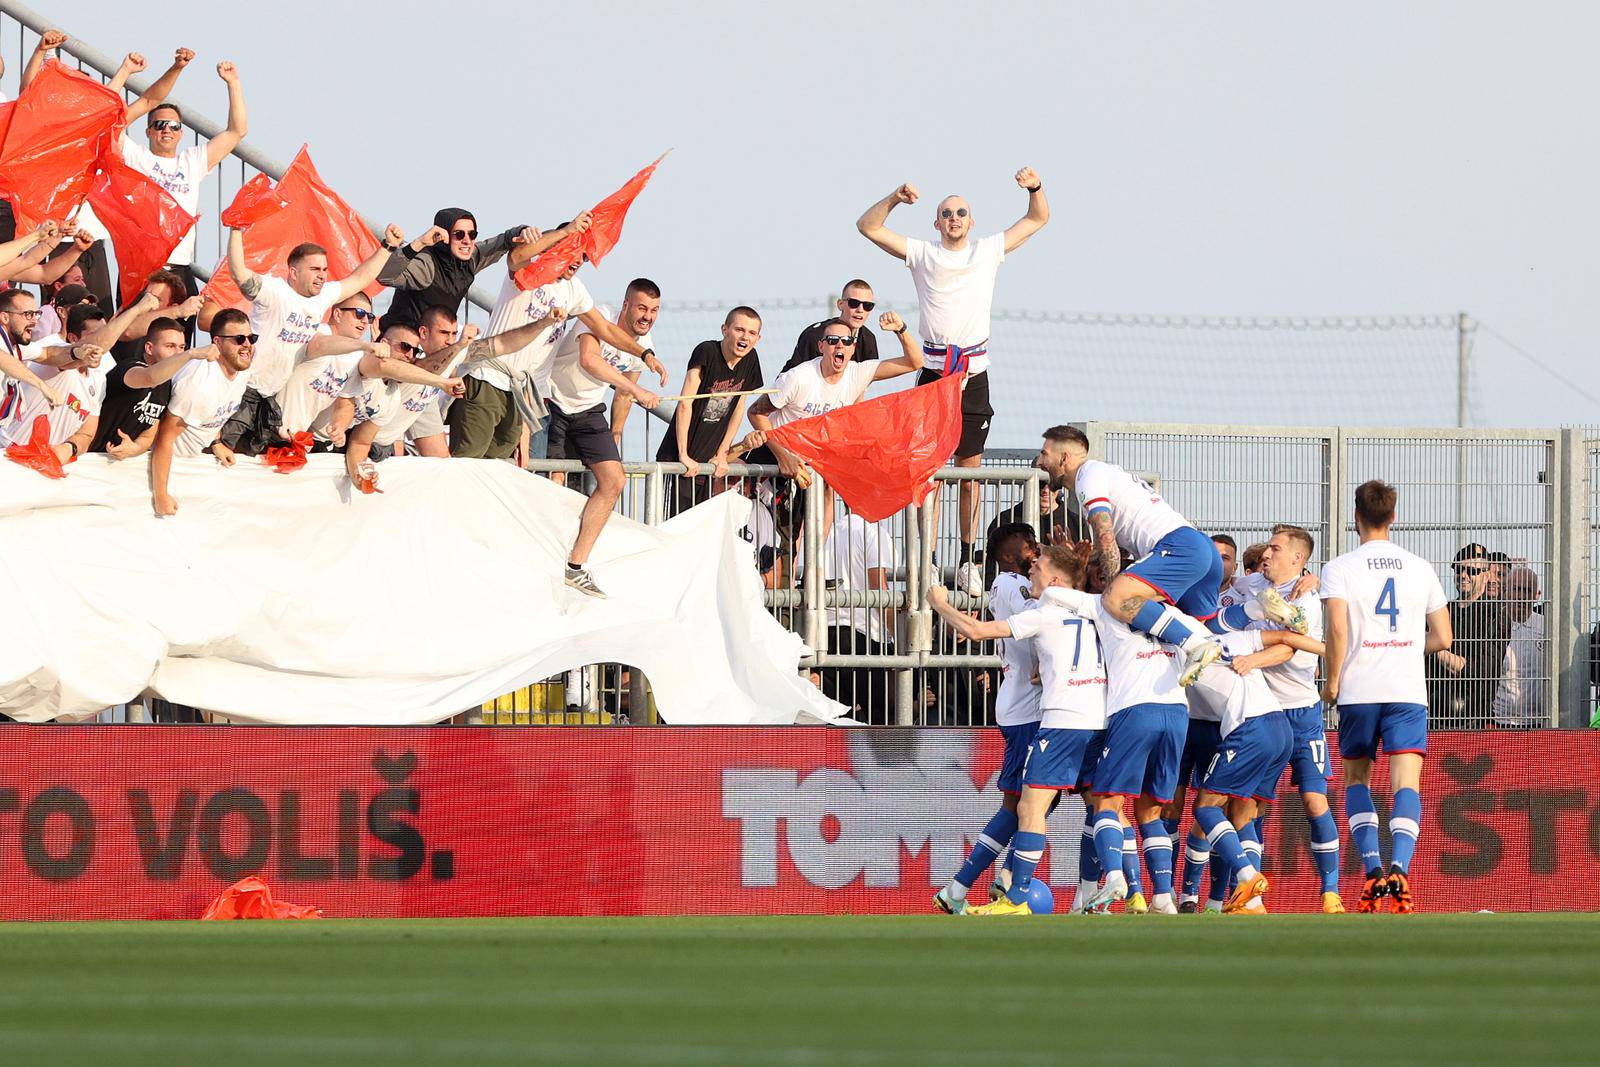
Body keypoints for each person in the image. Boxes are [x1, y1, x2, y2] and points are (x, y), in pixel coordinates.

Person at [857, 167, 1049, 592]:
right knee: (926, 471)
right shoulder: (923, 253)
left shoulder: (987, 250)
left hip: (974, 373)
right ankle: (926, 558)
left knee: (969, 472)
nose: (955, 218)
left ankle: (966, 559)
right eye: (947, 213)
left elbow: (1037, 219)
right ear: (937, 222)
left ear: (971, 220)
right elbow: (867, 226)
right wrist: (894, 198)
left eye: (961, 212)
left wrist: (1034, 187)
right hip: (933, 373)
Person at [929, 546, 1108, 917]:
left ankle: (1007, 889)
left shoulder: (1035, 606)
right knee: (1098, 807)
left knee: (1026, 807)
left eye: (1038, 567)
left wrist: (940, 603)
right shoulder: (1098, 610)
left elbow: (977, 630)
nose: (1031, 571)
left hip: (1047, 719)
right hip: (1097, 718)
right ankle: (1094, 896)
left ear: (1055, 580)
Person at [1320, 479, 1453, 914]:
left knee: (1357, 780)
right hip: (1407, 691)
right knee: (1406, 784)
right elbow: (1444, 637)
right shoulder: (1419, 566)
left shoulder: (1340, 567)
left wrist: (1333, 681)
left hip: (1360, 689)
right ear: (1393, 516)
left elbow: (1338, 631)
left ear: (1355, 516)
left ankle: (1373, 871)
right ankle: (1401, 868)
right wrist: (1407, 647)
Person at [1034, 425, 1250, 685]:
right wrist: (1081, 559)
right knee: (1203, 626)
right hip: (1199, 548)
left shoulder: (1087, 477)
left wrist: (1113, 593)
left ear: (1064, 458)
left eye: (1045, 454)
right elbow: (1115, 547)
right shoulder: (1105, 474)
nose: (1040, 461)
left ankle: (1195, 647)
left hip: (1178, 547)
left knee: (1116, 600)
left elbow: (1106, 539)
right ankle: (1255, 609)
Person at [1209, 524, 1344, 913]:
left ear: (1297, 559)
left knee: (1314, 799)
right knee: (1249, 805)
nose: (1266, 554)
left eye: (1275, 548)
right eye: (1267, 548)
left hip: (1300, 712)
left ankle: (1330, 892)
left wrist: (1252, 659)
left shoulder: (1308, 600)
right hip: (1261, 712)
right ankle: (1253, 897)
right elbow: (1224, 597)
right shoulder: (1252, 586)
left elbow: (1290, 651)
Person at [457, 213, 656, 460]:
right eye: (573, 252)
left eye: (583, 257)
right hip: (490, 377)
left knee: (505, 471)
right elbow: (515, 257)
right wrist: (566, 231)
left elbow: (604, 328)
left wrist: (644, 354)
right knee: (467, 463)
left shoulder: (574, 289)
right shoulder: (531, 268)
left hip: (527, 393)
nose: (578, 261)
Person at [219, 223, 401, 455]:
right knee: (223, 451)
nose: (322, 275)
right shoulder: (275, 291)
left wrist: (387, 247)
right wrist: (235, 230)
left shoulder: (323, 296)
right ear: (294, 272)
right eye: (315, 269)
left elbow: (360, 278)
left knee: (253, 458)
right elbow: (239, 273)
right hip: (244, 387)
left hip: (270, 395)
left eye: (324, 270)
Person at [932, 522, 1040, 913]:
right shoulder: (1012, 585)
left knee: (1038, 800)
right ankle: (963, 888)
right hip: (1026, 708)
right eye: (1027, 545)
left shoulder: (1012, 585)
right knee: (1023, 803)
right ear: (1008, 554)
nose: (1035, 550)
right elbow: (1041, 623)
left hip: (1028, 706)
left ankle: (998, 880)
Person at [342, 307, 572, 483]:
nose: (449, 340)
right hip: (354, 440)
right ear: (424, 333)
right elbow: (423, 369)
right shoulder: (406, 360)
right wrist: (458, 349)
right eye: (443, 333)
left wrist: (543, 322)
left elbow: (504, 343)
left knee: (447, 472)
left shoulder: (448, 353)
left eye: (453, 334)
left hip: (385, 440)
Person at [1186, 626, 1325, 914]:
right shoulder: (1233, 637)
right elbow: (1287, 640)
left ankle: (1247, 876)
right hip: (1280, 727)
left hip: (1249, 728)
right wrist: (1331, 649)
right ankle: (1253, 902)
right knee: (1242, 813)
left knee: (1206, 808)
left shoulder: (1178, 652)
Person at [108, 48, 248, 295]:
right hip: (141, 267)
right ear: (148, 131)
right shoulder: (135, 155)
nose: (167, 131)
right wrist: (135, 71)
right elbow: (111, 121)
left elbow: (236, 131)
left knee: (180, 333)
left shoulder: (192, 161)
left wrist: (233, 83)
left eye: (174, 126)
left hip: (180, 266)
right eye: (160, 125)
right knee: (136, 333)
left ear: (181, 133)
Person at [278, 293, 465, 444]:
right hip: (273, 425)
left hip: (302, 437)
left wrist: (339, 426)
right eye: (359, 313)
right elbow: (320, 345)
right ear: (337, 314)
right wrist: (442, 382)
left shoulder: (354, 358)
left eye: (369, 316)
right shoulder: (323, 333)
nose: (364, 321)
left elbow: (345, 402)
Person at [655, 306, 766, 514]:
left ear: (758, 338)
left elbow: (738, 408)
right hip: (680, 459)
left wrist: (723, 453)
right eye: (739, 330)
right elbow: (685, 403)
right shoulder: (706, 351)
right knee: (676, 525)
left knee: (701, 527)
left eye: (752, 333)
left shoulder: (751, 360)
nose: (745, 337)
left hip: (708, 463)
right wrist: (683, 454)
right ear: (725, 329)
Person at [149, 309, 256, 516]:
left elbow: (215, 411)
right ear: (217, 342)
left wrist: (215, 442)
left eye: (251, 338)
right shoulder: (198, 382)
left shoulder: (242, 370)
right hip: (167, 464)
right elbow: (165, 438)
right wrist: (161, 494)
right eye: (239, 339)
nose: (247, 345)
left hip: (194, 459)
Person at [378, 209, 537, 330]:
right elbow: (384, 275)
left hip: (434, 346)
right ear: (443, 236)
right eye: (459, 235)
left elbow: (504, 240)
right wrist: (419, 243)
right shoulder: (426, 264)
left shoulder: (471, 258)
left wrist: (524, 230)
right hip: (400, 345)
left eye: (472, 234)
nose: (467, 241)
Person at [92, 307, 216, 459]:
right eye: (170, 346)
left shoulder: (166, 384)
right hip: (89, 455)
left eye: (182, 347)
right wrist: (191, 353)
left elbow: (148, 436)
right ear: (149, 348)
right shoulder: (129, 368)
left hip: (119, 464)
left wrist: (134, 448)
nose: (178, 353)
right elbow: (148, 378)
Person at [817, 512, 898, 715]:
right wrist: (899, 637)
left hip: (827, 636)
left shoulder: (829, 531)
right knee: (881, 721)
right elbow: (880, 591)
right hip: (865, 636)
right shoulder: (873, 532)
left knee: (836, 718)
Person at [1426, 543, 1509, 728]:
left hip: (1475, 720)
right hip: (1435, 718)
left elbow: (1482, 670)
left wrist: (1438, 650)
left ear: (1486, 575)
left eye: (1471, 571)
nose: (1463, 575)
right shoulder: (1443, 612)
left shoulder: (1497, 614)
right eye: (1459, 569)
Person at [779, 279, 880, 374]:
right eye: (854, 303)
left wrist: (896, 330)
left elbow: (868, 379)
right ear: (840, 304)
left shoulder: (868, 339)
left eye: (867, 305)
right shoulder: (815, 335)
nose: (860, 310)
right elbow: (791, 378)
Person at [1491, 567, 1546, 729]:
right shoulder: (1493, 626)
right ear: (1505, 591)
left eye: (1527, 590)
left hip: (1540, 721)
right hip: (1500, 721)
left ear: (1537, 595)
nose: (1521, 595)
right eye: (1516, 589)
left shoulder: (1546, 627)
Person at [0, 288, 68, 408]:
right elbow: (2, 358)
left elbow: (47, 354)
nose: (35, 321)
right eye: (28, 314)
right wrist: (42, 386)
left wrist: (77, 352)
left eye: (36, 314)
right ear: (5, 318)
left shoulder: (17, 344)